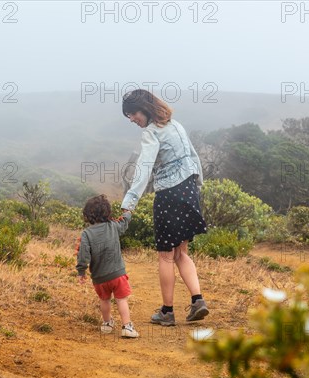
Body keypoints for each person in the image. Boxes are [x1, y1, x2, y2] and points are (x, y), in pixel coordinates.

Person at [120, 89, 209, 326]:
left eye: (132, 113)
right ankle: (198, 300)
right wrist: (196, 185)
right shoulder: (176, 125)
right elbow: (193, 155)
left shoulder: (151, 133)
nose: (131, 119)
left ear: (144, 109)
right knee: (182, 253)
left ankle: (167, 312)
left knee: (165, 256)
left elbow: (144, 169)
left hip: (169, 194)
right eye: (128, 116)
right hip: (189, 190)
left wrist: (128, 204)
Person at [76, 194, 139, 338]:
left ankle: (107, 324)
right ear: (107, 211)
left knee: (104, 300)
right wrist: (128, 213)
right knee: (121, 299)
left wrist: (81, 271)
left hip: (99, 278)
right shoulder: (113, 226)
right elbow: (123, 224)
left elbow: (83, 254)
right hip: (117, 274)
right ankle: (127, 327)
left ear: (88, 214)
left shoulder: (86, 234)